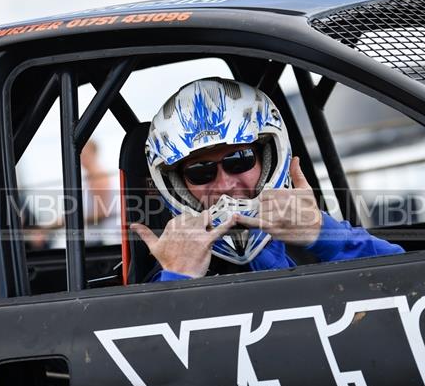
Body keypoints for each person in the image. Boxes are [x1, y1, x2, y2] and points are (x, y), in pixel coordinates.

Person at [130, 77, 404, 282]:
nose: (225, 185)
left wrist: (325, 235)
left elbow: (408, 282)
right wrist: (178, 277)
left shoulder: (319, 237)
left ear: (268, 158)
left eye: (239, 160)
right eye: (200, 171)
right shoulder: (172, 268)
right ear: (180, 185)